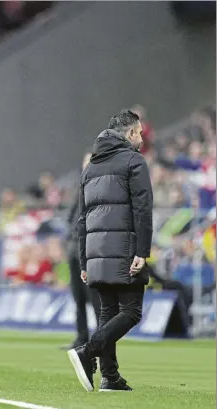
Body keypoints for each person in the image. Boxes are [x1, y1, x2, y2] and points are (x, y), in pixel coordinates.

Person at [68, 110, 153, 392]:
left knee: (107, 312)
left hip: (95, 252)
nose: (141, 138)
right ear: (129, 133)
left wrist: (84, 260)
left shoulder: (90, 167)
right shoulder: (134, 161)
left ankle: (110, 377)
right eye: (139, 132)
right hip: (125, 250)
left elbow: (83, 219)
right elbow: (142, 210)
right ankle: (87, 351)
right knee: (132, 311)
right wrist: (142, 250)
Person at [60, 153, 100, 350]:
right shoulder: (81, 186)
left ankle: (101, 337)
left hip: (90, 248)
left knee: (94, 295)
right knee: (78, 296)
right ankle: (81, 337)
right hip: (75, 248)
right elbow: (72, 216)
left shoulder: (101, 187)